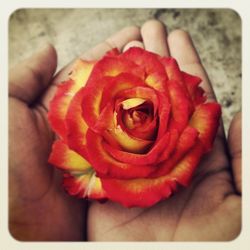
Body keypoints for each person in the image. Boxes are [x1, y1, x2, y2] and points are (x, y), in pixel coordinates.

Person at [9, 20, 241, 241]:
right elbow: (84, 180)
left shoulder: (193, 123)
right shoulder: (82, 156)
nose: (137, 117)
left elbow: (198, 115)